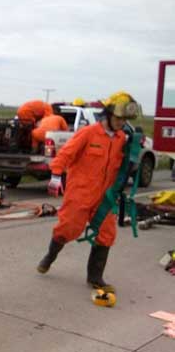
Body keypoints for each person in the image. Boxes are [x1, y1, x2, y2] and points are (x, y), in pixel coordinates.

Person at [36, 91, 141, 293]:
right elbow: (66, 153)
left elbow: (125, 164)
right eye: (119, 118)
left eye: (124, 119)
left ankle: (95, 277)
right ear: (108, 115)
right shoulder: (88, 133)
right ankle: (50, 256)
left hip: (105, 196)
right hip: (80, 193)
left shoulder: (122, 139)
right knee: (68, 229)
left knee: (107, 234)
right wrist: (56, 175)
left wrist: (134, 152)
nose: (121, 123)